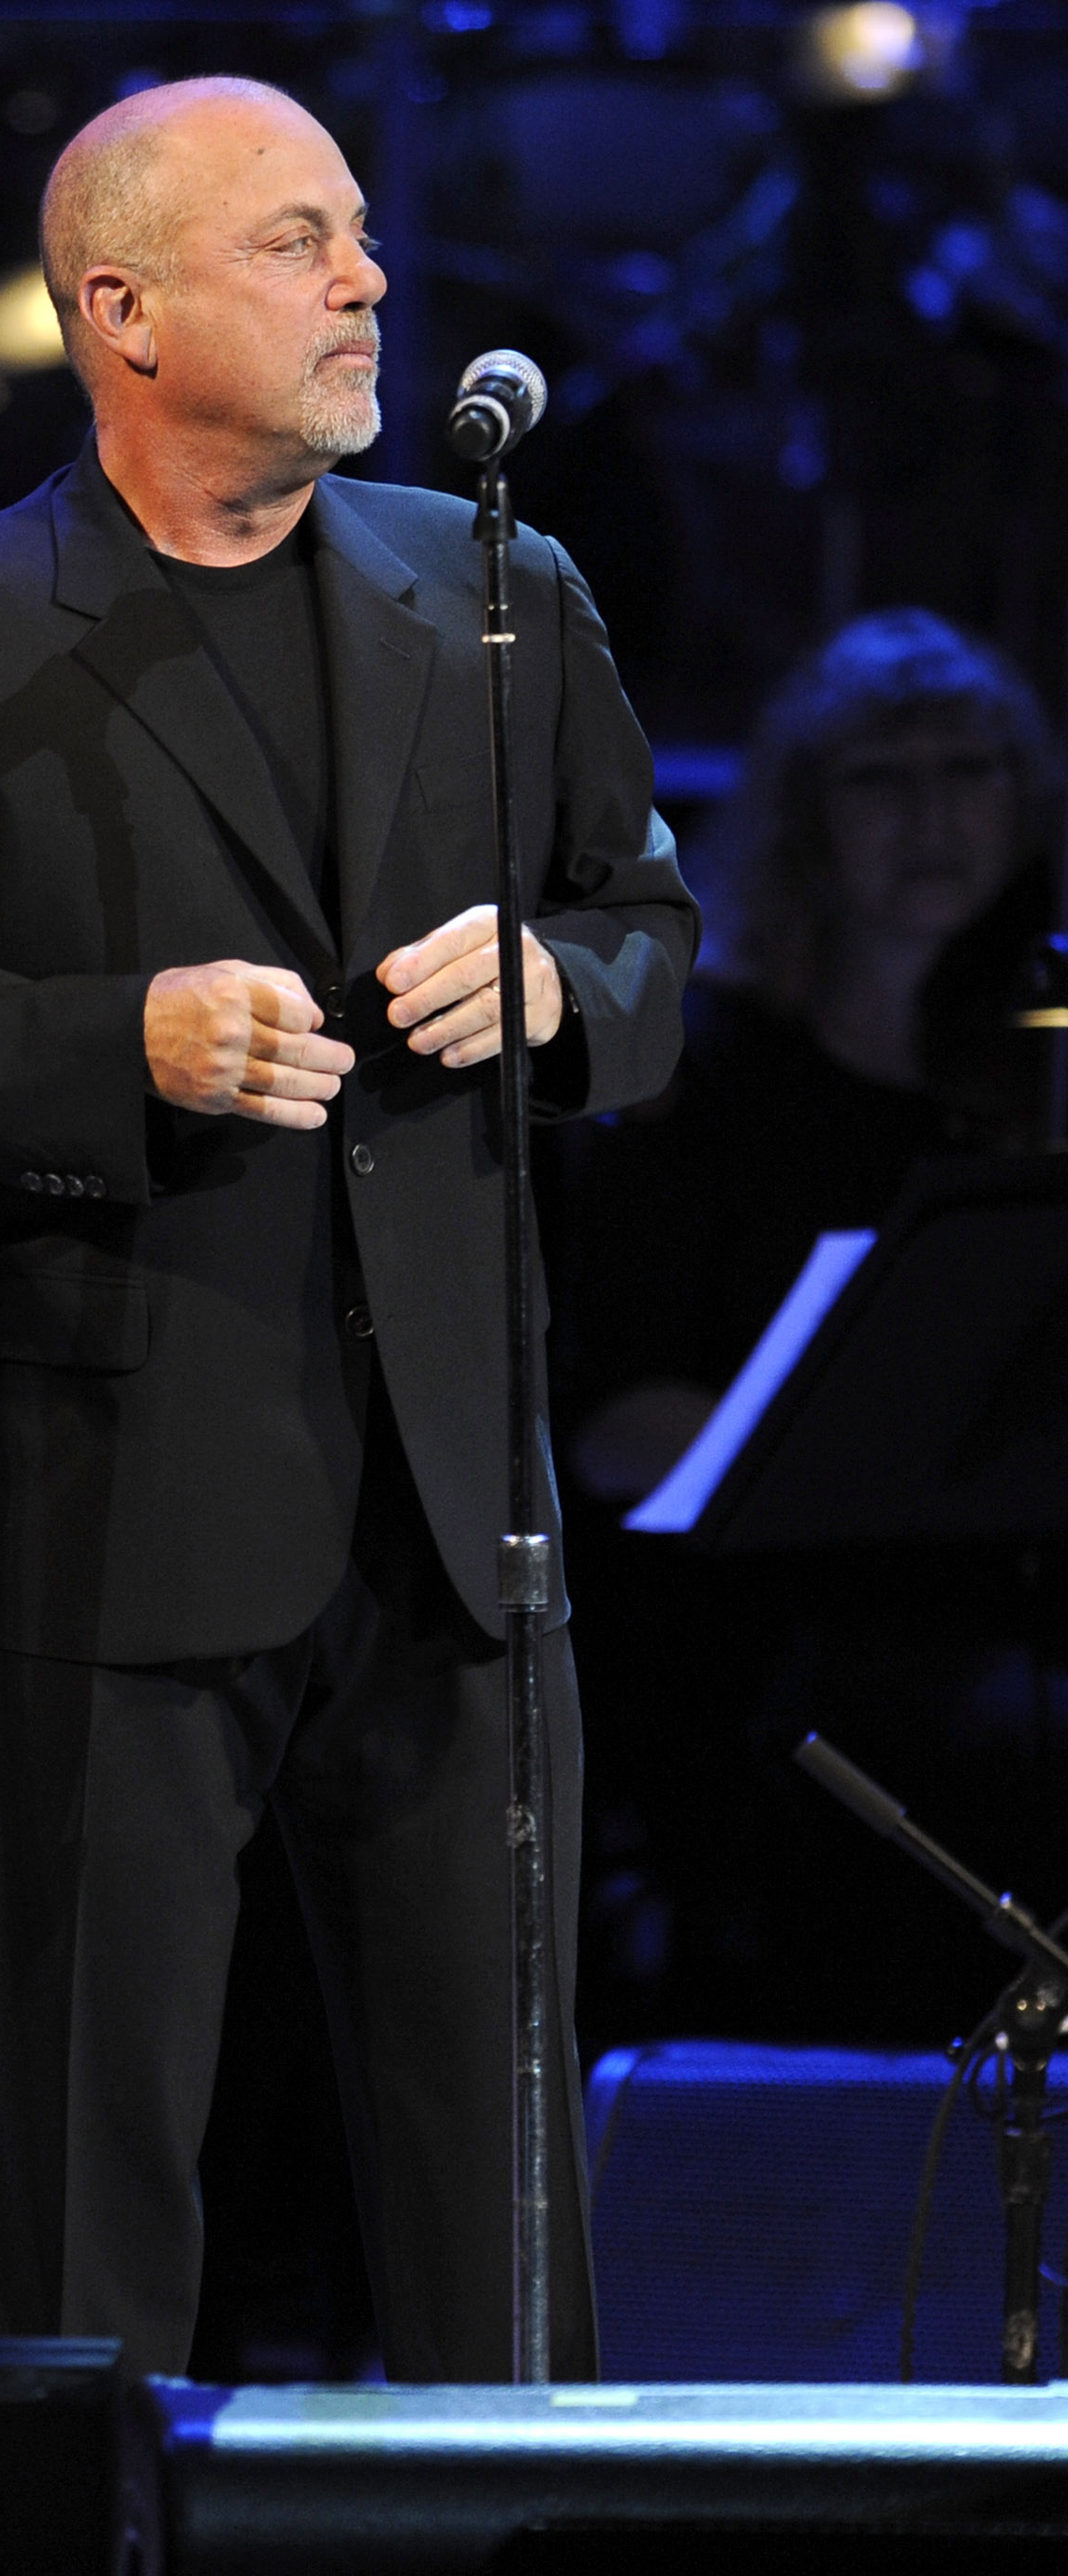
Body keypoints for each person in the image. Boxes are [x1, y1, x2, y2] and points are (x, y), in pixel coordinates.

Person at [0, 77, 695, 2379]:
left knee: (498, 2210)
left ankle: (518, 2539)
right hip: (91, 1503)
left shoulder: (500, 590)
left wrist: (563, 990)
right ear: (123, 311)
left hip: (455, 1515)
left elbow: (652, 929)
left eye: (359, 232)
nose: (368, 280)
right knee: (69, 2218)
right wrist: (107, 1048)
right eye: (298, 242)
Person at [557, 609, 1062, 2043]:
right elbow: (617, 1427)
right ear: (804, 819)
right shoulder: (698, 1079)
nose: (932, 820)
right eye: (880, 780)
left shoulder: (1039, 1064)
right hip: (768, 1633)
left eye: (970, 772)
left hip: (995, 1609)